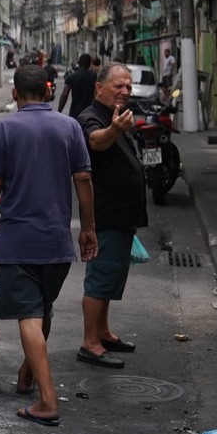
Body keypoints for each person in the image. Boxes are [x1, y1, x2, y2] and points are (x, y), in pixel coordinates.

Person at [0, 64, 97, 427]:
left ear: (15, 94)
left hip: (19, 241)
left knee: (29, 316)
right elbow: (83, 178)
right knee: (41, 310)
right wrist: (88, 228)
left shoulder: (5, 129)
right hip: (57, 243)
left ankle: (48, 400)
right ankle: (27, 374)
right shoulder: (70, 127)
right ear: (48, 91)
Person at [75, 63, 146, 369]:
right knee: (100, 278)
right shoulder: (91, 117)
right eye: (118, 86)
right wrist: (115, 130)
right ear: (99, 88)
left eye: (128, 86)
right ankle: (90, 343)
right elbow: (96, 141)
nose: (125, 91)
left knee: (112, 277)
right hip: (106, 214)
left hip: (122, 215)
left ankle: (103, 332)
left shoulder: (114, 114)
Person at [56, 53, 98, 118]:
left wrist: (59, 111)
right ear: (89, 64)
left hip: (75, 112)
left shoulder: (71, 77)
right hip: (90, 112)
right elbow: (97, 93)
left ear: (79, 63)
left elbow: (65, 94)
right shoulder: (94, 76)